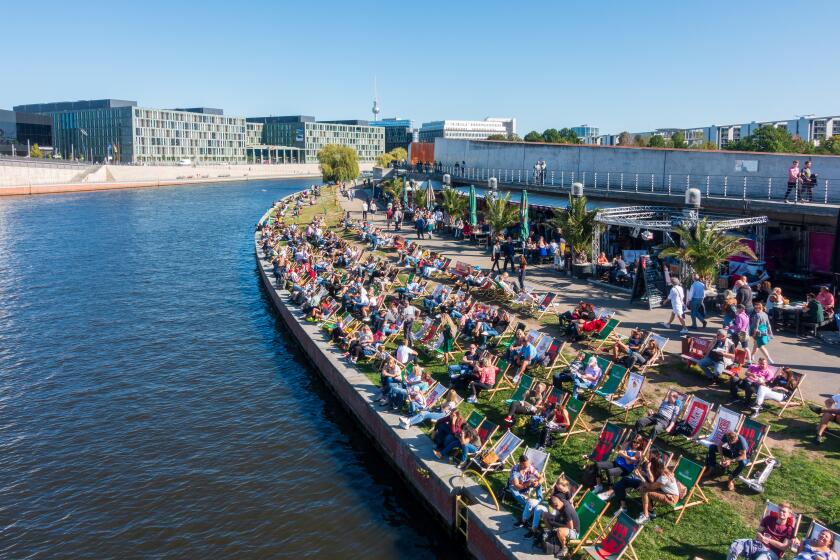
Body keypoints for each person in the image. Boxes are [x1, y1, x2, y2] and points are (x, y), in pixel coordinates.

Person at [727, 502, 796, 560]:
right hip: (757, 544)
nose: (781, 513)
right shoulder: (769, 518)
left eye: (784, 511)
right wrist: (759, 535)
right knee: (734, 546)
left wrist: (768, 540)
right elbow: (759, 531)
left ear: (789, 514)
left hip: (771, 552)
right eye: (780, 510)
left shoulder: (789, 529)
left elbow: (783, 547)